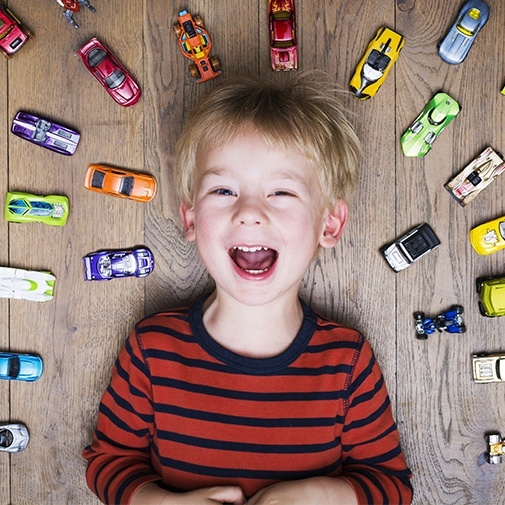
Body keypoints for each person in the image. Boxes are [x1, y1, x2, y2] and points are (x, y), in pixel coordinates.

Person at [83, 73, 413, 505]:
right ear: (190, 219)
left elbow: (392, 488)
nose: (250, 212)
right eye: (223, 189)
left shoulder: (347, 362)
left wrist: (317, 496)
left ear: (329, 223)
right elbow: (108, 461)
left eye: (281, 191)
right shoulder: (152, 349)